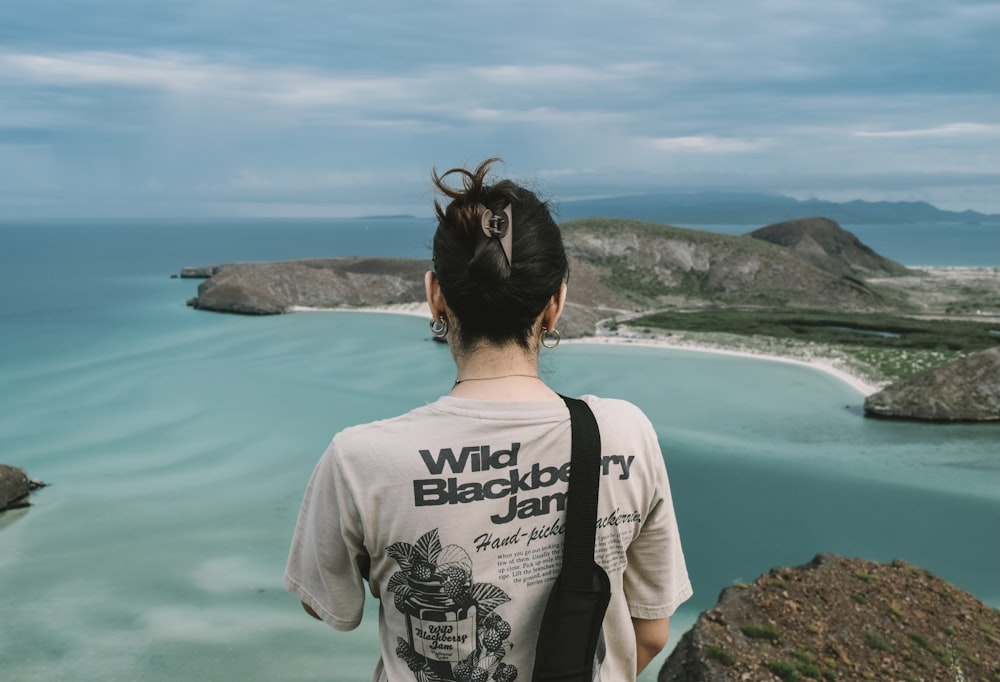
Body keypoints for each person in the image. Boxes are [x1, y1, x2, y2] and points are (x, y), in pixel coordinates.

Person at [285, 158, 692, 681]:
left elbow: (326, 605)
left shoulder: (360, 459)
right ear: (555, 305)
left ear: (435, 296)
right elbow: (652, 631)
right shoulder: (624, 431)